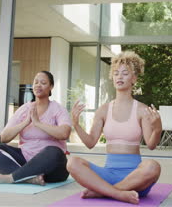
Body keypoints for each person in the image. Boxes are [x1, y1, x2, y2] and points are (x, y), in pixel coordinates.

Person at [67, 51, 162, 205]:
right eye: (116, 73)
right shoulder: (103, 110)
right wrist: (76, 125)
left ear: (134, 79)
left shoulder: (142, 110)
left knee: (153, 167)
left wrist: (158, 129)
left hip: (136, 178)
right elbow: (90, 143)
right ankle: (118, 194)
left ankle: (104, 192)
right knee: (72, 163)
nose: (119, 77)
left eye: (125, 73)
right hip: (108, 175)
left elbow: (151, 145)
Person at [0, 71, 71, 185]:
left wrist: (38, 123)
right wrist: (25, 122)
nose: (38, 85)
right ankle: (27, 177)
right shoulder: (24, 109)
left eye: (43, 82)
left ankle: (11, 178)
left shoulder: (58, 109)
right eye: (36, 82)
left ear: (51, 87)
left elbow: (65, 133)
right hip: (25, 160)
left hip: (52, 167)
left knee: (54, 152)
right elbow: (4, 138)